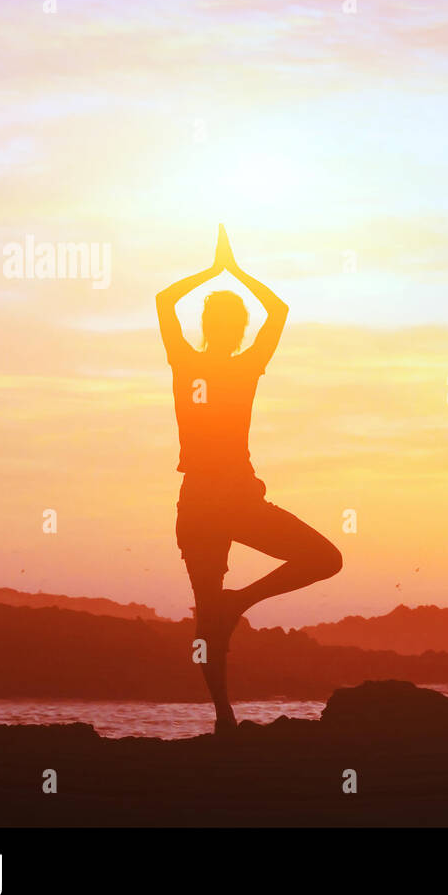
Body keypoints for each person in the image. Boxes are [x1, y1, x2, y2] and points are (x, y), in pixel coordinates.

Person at [156, 225, 342, 734]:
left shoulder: (191, 364)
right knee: (320, 562)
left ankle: (224, 703)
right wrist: (233, 273)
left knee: (212, 617)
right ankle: (223, 713)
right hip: (218, 499)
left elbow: (164, 301)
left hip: (216, 498)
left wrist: (215, 273)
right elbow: (277, 311)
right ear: (234, 331)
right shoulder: (235, 367)